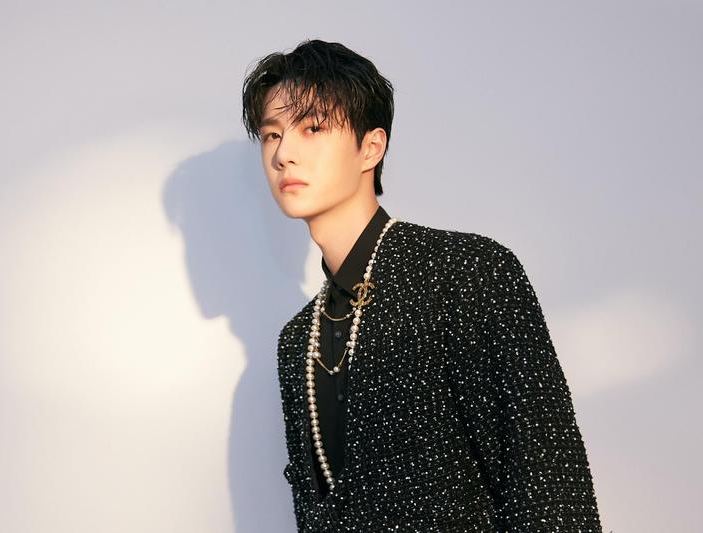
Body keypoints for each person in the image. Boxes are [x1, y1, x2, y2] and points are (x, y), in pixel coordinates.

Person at [241, 38, 603, 532]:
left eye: (313, 128)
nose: (284, 154)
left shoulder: (465, 272)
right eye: (271, 135)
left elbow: (549, 484)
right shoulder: (297, 342)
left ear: (371, 147)